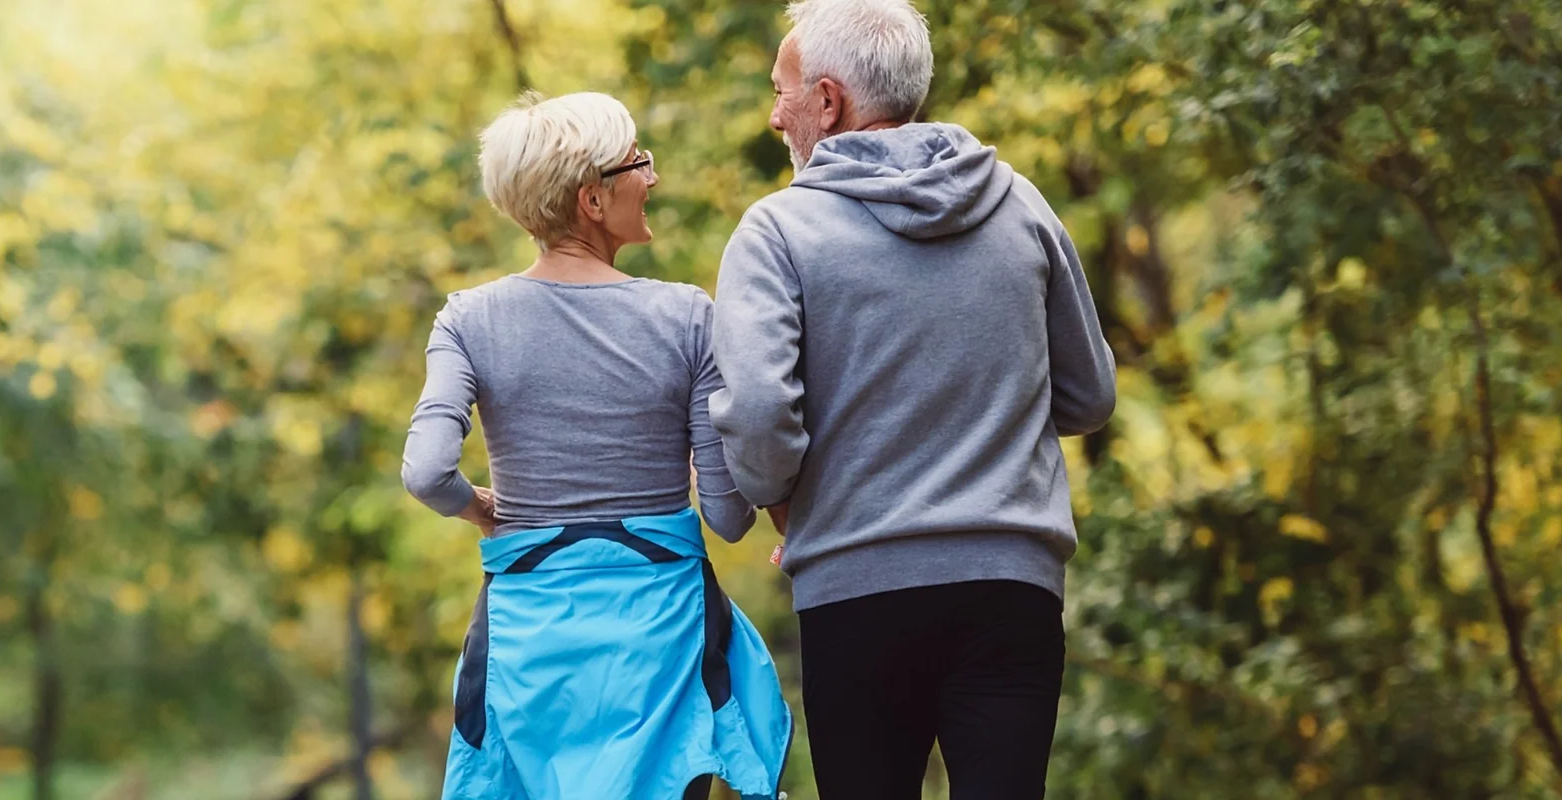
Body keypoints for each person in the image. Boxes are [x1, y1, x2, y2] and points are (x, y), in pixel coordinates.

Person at [707, 0, 1119, 797]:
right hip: (1012, 585)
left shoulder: (777, 231)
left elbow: (759, 421)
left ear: (829, 101)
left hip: (856, 589)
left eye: (783, 92)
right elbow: (1090, 395)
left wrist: (780, 495)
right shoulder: (1019, 203)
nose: (775, 115)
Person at [402, 91, 790, 800]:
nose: (652, 176)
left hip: (529, 642)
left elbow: (426, 472)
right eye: (637, 162)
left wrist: (481, 510)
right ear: (591, 198)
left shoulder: (467, 320)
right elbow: (729, 518)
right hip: (661, 641)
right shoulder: (686, 317)